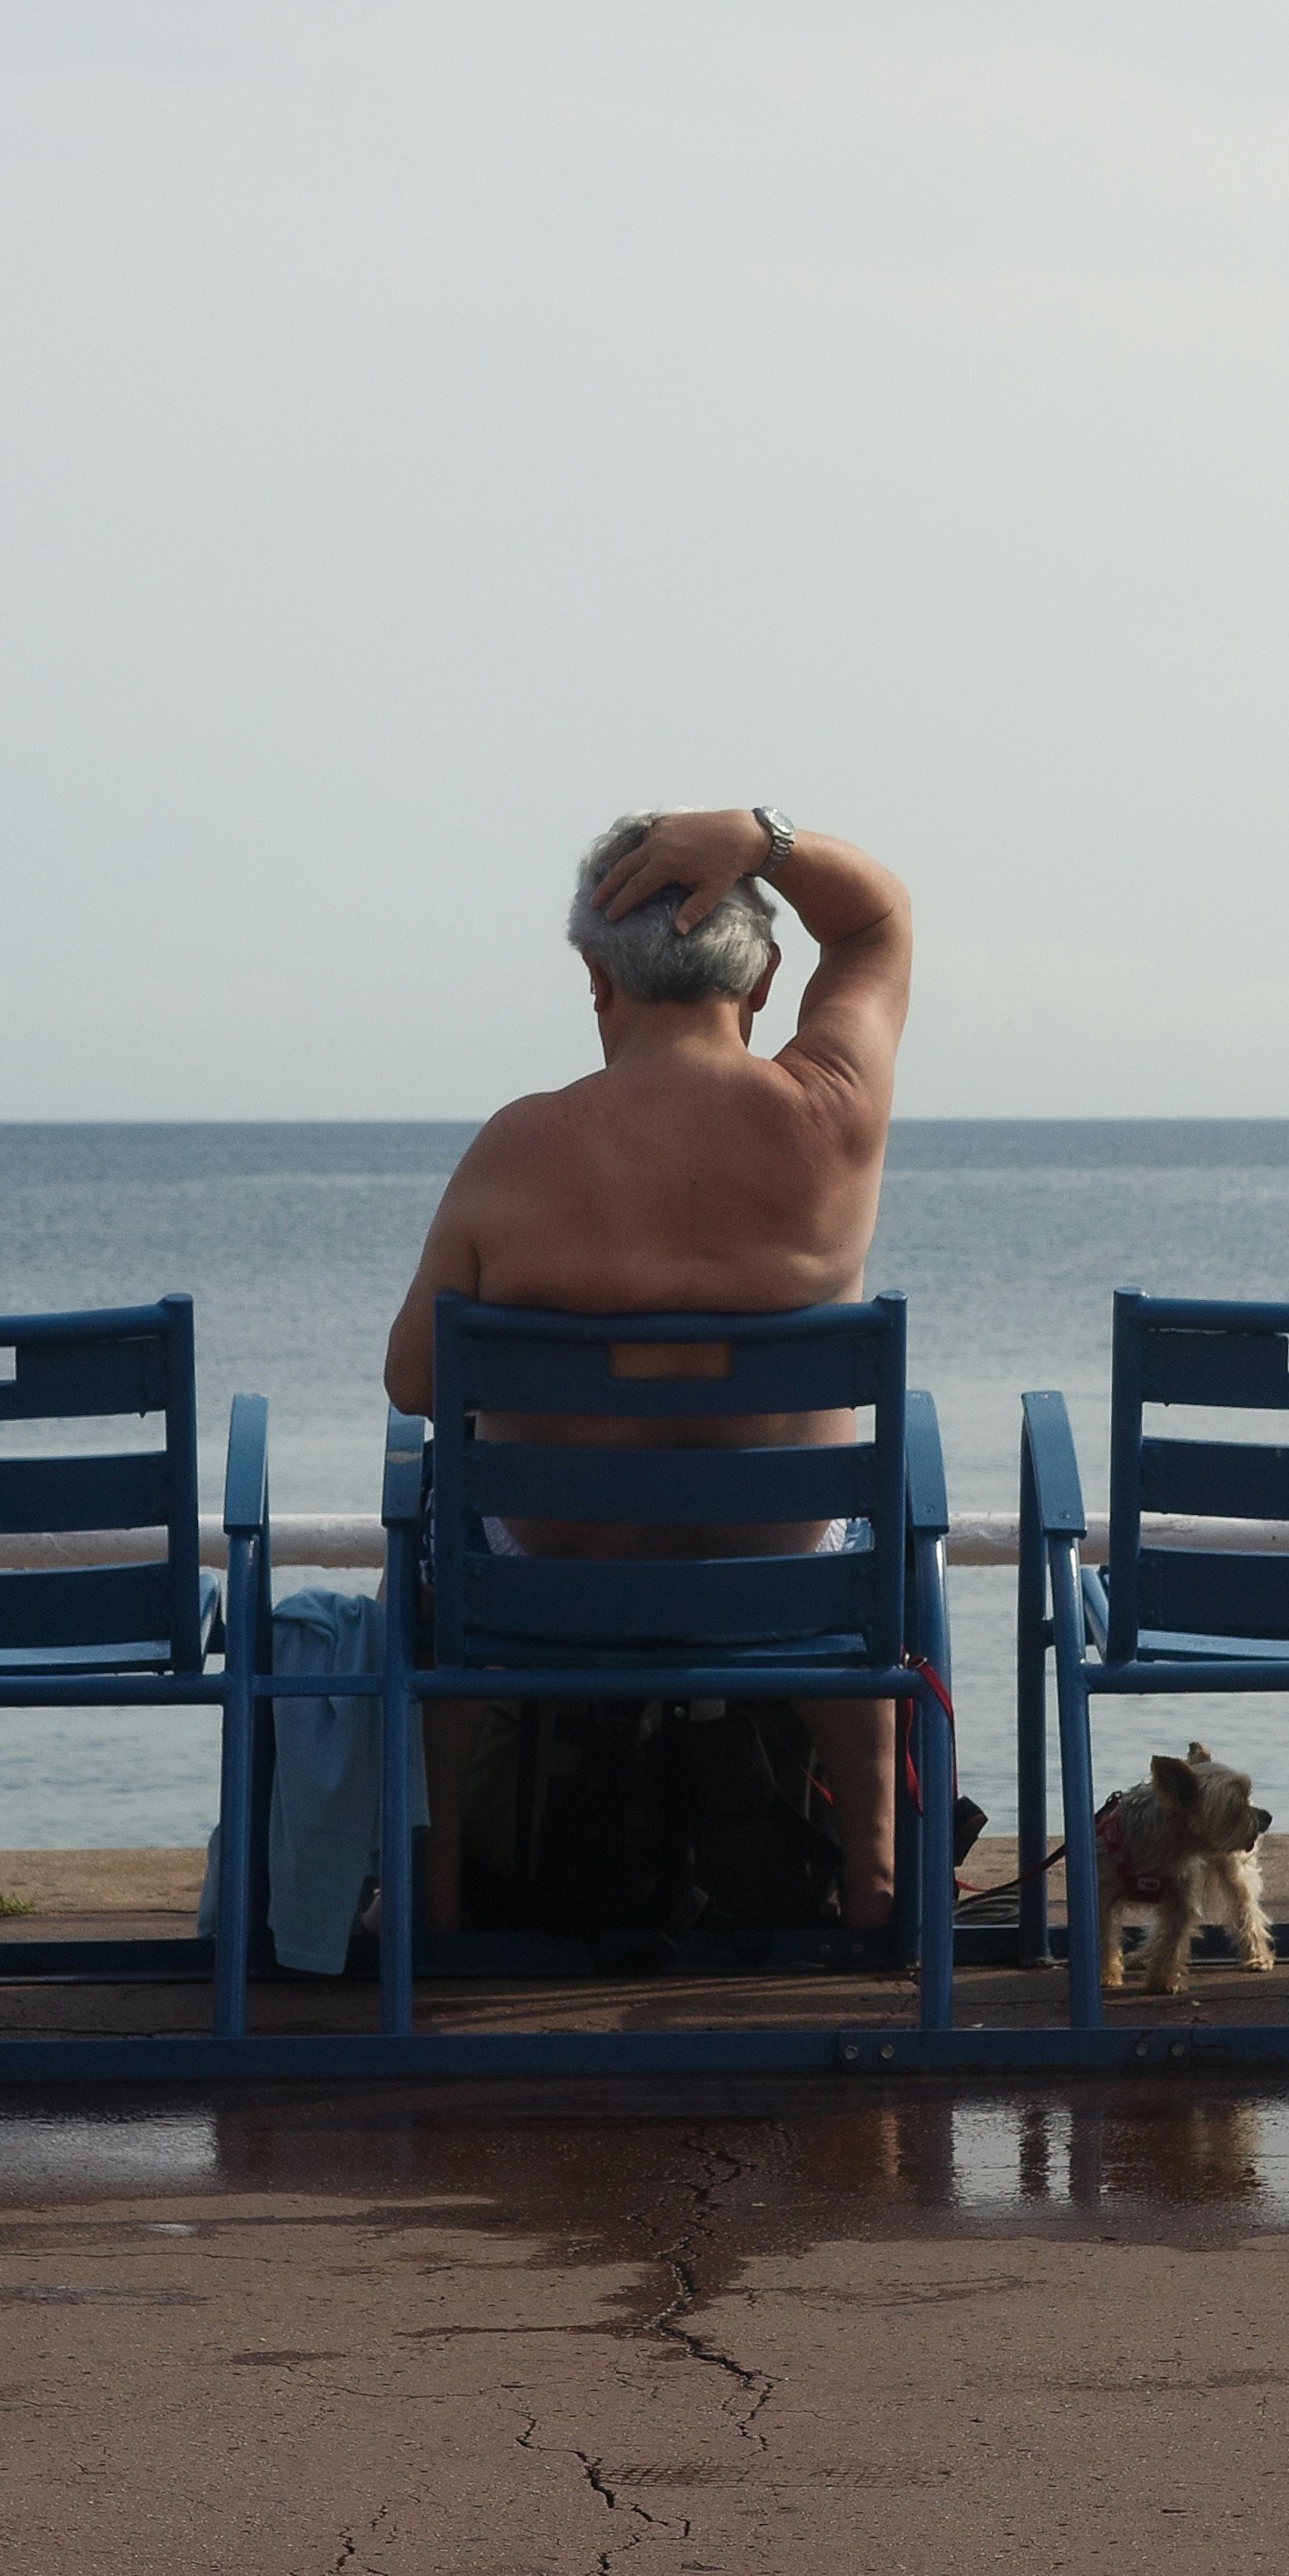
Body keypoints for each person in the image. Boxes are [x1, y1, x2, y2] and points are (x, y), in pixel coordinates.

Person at [383, 805, 912, 1936]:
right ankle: (874, 1873)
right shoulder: (835, 1113)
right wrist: (762, 841)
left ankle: (427, 1890)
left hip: (553, 1579)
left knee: (422, 1523)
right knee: (875, 1523)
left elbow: (414, 1383)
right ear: (766, 978)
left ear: (594, 978)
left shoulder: (517, 1146)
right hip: (787, 1572)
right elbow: (875, 923)